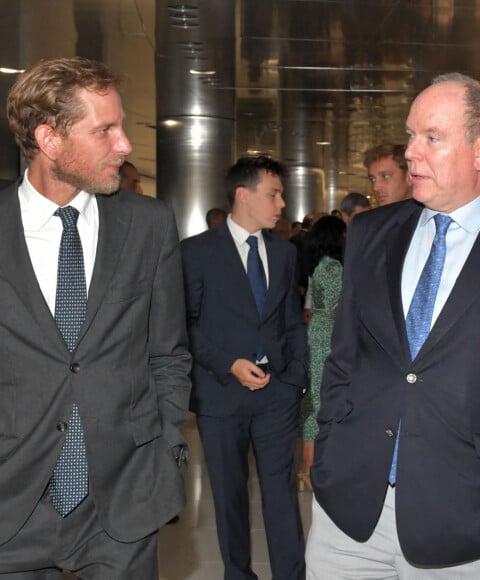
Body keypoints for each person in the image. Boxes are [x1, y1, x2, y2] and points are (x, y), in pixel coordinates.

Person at [306, 72, 480, 579]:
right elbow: (343, 358)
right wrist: (328, 459)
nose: (412, 152)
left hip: (478, 528)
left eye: (431, 137)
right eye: (411, 135)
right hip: (347, 517)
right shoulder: (370, 232)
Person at [0, 56, 191, 577]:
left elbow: (168, 353)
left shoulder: (148, 225)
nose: (125, 144)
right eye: (104, 130)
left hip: (122, 504)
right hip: (11, 508)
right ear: (49, 139)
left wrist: (164, 444)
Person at [181, 156, 308, 580]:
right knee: (229, 496)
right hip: (222, 395)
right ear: (242, 194)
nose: (282, 203)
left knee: (281, 494)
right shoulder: (196, 252)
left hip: (277, 395)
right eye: (273, 193)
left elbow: (292, 320)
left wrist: (295, 381)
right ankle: (238, 574)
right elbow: (185, 324)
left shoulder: (285, 252)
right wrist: (228, 363)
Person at [298, 216, 346, 493]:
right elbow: (336, 310)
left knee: (312, 404)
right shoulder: (333, 268)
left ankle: (307, 469)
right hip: (327, 339)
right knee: (318, 404)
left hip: (317, 335)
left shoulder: (322, 265)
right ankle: (310, 472)